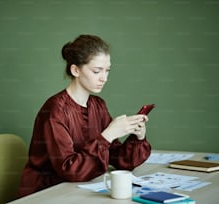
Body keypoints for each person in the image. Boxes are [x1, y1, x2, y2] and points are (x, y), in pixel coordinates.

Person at [19, 34, 151, 197]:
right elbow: (69, 170)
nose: (104, 78)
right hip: (47, 193)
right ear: (75, 70)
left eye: (107, 70)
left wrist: (138, 137)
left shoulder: (98, 105)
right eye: (97, 71)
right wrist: (108, 135)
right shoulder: (55, 110)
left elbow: (119, 160)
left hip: (79, 190)